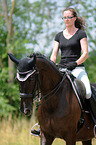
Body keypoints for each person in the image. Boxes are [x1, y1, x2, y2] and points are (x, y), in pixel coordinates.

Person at [31, 7, 96, 137]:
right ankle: (42, 126)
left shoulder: (80, 34)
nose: (66, 20)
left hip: (77, 69)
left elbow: (85, 53)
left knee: (88, 91)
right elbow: (54, 55)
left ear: (74, 18)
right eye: (64, 17)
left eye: (69, 17)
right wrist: (51, 65)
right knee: (46, 90)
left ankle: (95, 122)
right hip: (61, 69)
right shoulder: (59, 35)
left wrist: (75, 63)